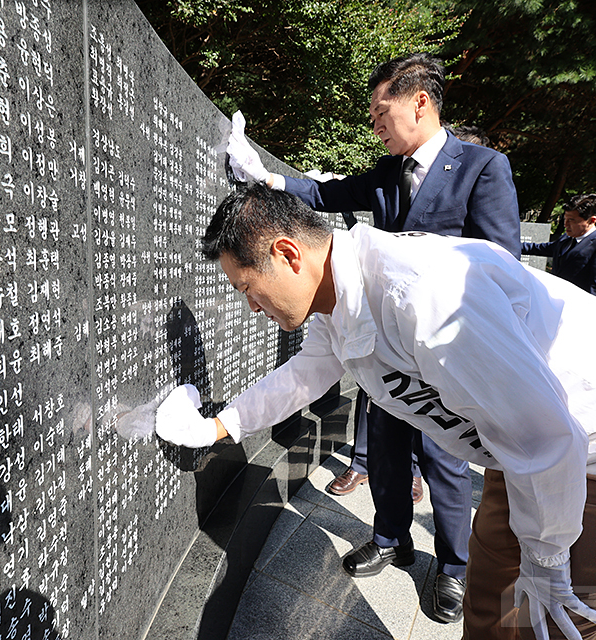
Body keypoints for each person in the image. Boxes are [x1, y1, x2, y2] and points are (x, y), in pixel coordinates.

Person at [156, 184, 596, 640]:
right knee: (492, 594)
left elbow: (550, 439)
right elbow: (307, 372)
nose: (251, 307)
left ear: (287, 253)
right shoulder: (337, 293)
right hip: (523, 446)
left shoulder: (424, 296)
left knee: (560, 619)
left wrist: (548, 561)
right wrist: (218, 424)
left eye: (248, 287)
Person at [226, 53, 521, 622]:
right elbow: (323, 196)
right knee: (385, 452)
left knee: (445, 460)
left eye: (382, 111)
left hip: (446, 352)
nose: (375, 124)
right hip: (383, 345)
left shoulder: (483, 167)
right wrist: (261, 175)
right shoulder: (388, 172)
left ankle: (455, 568)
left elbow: (499, 265)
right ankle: (391, 538)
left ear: (420, 101)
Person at [522, 194, 596, 301]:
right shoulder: (566, 239)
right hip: (551, 303)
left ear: (591, 220)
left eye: (572, 220)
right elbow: (540, 248)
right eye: (565, 219)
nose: (565, 224)